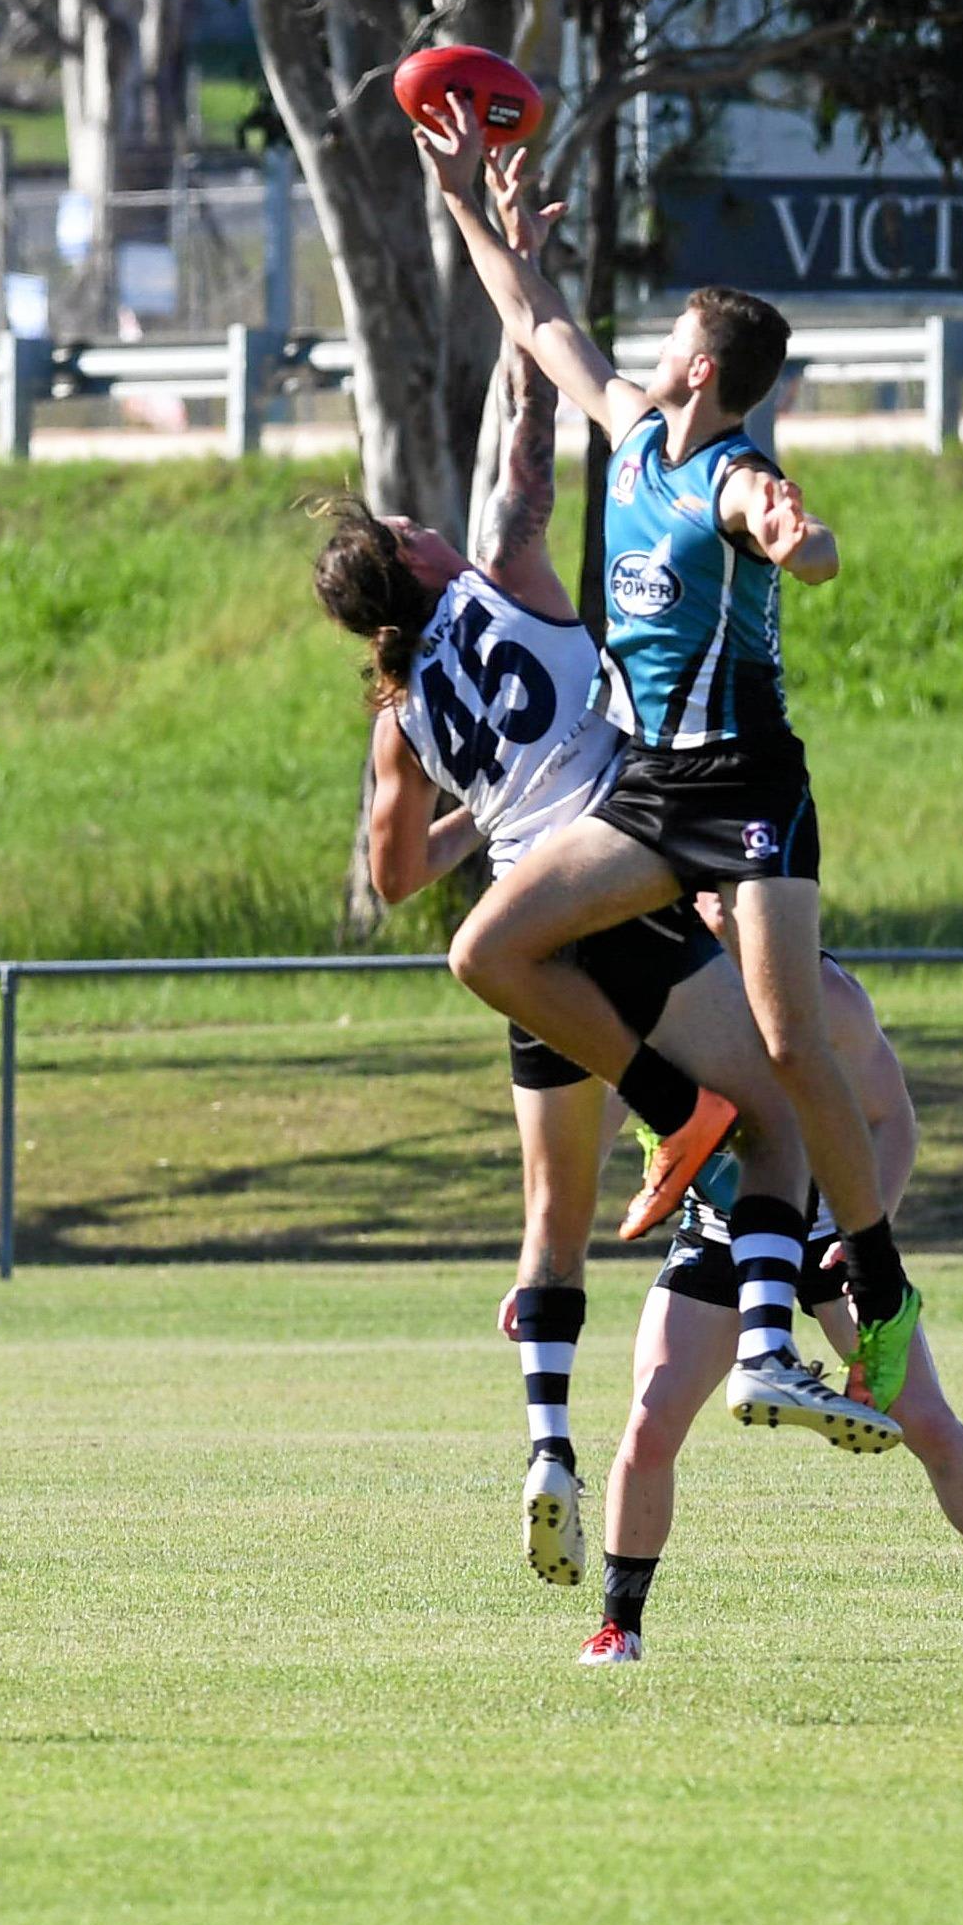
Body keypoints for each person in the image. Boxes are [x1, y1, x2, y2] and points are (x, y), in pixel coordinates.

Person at [310, 197, 899, 1592]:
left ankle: (566, 1436)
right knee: (788, 1065)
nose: (422, 517)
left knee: (570, 1198)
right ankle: (790, 1309)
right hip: (628, 853)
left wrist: (797, 536)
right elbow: (529, 372)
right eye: (407, 519)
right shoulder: (532, 538)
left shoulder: (404, 704)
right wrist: (475, 231)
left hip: (621, 859)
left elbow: (395, 873)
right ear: (423, 558)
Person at [416, 101, 926, 1445]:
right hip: (651, 794)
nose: (651, 353)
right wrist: (468, 196)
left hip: (752, 792)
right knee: (488, 949)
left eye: (673, 344)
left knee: (790, 1041)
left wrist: (802, 541)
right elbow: (534, 315)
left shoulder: (735, 477)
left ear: (708, 371)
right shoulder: (635, 430)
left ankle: (880, 1289)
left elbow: (788, 526)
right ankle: (675, 1112)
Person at [576, 943, 963, 1668]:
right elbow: (587, 1126)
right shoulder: (649, 994)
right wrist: (544, 1269)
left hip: (830, 1237)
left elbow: (893, 1120)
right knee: (649, 1425)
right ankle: (618, 1628)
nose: (717, 908)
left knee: (926, 1421)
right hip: (719, 1237)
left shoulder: (822, 991)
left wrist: (868, 1233)